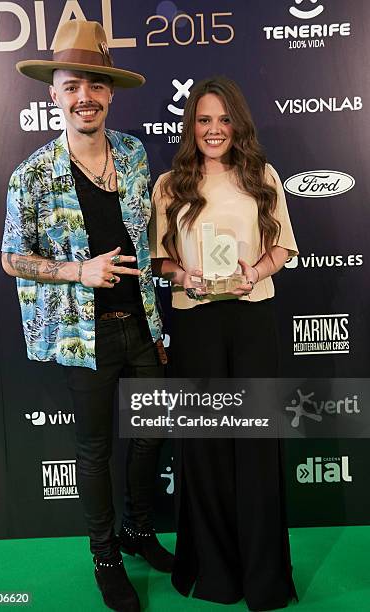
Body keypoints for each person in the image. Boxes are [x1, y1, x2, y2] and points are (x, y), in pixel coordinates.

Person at [1, 19, 173, 612]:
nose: (85, 98)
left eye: (95, 86)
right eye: (73, 86)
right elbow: (10, 258)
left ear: (110, 94)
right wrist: (79, 272)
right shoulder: (31, 176)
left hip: (142, 327)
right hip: (84, 338)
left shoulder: (131, 154)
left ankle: (138, 530)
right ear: (54, 92)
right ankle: (103, 555)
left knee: (151, 436)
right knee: (96, 449)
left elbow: (148, 242)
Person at [150, 76, 298, 611]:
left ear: (238, 123)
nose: (214, 130)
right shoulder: (170, 184)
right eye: (204, 120)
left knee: (255, 447)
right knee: (206, 449)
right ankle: (213, 571)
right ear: (191, 125)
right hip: (197, 325)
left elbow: (283, 246)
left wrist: (255, 271)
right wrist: (184, 276)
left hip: (253, 320)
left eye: (224, 119)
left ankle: (263, 576)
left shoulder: (263, 176)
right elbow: (159, 260)